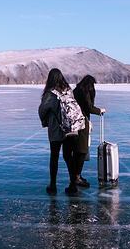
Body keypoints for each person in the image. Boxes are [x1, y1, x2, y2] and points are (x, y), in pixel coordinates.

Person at [38, 68, 80, 196]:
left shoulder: (50, 94)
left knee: (54, 157)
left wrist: (45, 122)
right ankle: (73, 185)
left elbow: (42, 110)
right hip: (72, 129)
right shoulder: (69, 91)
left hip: (56, 130)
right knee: (69, 157)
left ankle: (53, 185)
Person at [73, 75, 106, 188]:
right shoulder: (84, 92)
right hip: (82, 124)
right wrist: (99, 110)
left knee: (77, 151)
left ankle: (76, 175)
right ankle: (76, 177)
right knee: (82, 151)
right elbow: (88, 107)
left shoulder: (76, 90)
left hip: (75, 124)